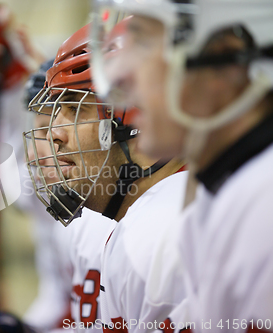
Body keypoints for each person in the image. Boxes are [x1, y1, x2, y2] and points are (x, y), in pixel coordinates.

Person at [89, 1, 273, 332]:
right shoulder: (220, 193)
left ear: (225, 54)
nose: (119, 74)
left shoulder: (263, 206)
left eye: (142, 41)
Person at [25, 22, 190, 332]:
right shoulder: (137, 221)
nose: (53, 135)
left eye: (74, 108)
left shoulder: (161, 228)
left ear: (134, 117)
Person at [23, 60, 116, 333]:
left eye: (48, 131)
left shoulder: (108, 216)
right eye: (38, 132)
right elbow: (60, 303)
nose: (33, 154)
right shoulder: (63, 210)